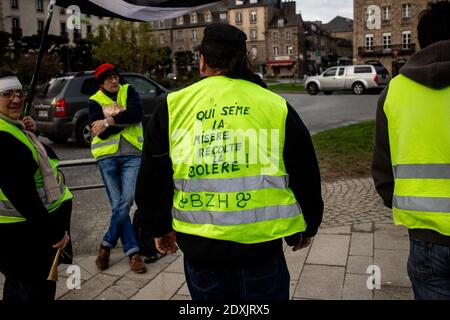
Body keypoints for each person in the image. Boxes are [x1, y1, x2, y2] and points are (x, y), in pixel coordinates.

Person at [135, 24, 323, 300]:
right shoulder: (273, 105)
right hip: (260, 249)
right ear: (244, 60)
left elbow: (154, 174)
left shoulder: (173, 106)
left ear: (202, 60)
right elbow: (304, 170)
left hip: (201, 252)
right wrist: (307, 225)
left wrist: (159, 227)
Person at [372, 1, 450, 300]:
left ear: (420, 40)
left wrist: (397, 200)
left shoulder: (395, 90)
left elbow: (382, 167)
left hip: (425, 236)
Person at [0, 71, 72, 300]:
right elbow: (23, 195)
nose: (16, 99)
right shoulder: (4, 137)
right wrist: (55, 233)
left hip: (20, 236)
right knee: (35, 291)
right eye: (6, 94)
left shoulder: (13, 127)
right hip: (26, 238)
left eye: (19, 93)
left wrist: (30, 133)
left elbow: (41, 163)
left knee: (17, 287)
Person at [89, 63, 146, 273]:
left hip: (132, 154)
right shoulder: (94, 100)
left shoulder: (128, 90)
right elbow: (100, 133)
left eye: (116, 76)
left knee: (126, 200)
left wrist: (108, 121)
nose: (115, 81)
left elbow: (137, 114)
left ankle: (106, 244)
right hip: (107, 158)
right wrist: (120, 120)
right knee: (118, 206)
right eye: (109, 78)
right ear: (102, 82)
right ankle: (133, 253)